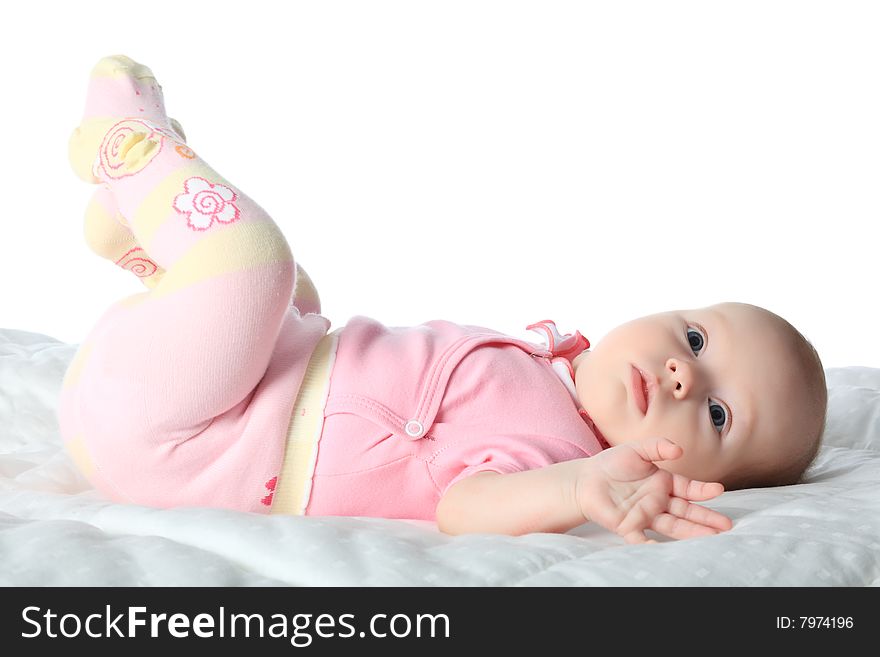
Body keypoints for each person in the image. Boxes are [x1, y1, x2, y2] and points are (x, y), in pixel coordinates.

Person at [59, 56, 827, 545]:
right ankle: (156, 249)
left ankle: (136, 157)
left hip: (183, 434)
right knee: (300, 301)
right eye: (696, 340)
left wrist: (578, 488)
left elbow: (466, 508)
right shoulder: (549, 365)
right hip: (210, 380)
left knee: (260, 270)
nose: (683, 376)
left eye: (718, 415)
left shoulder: (560, 453)